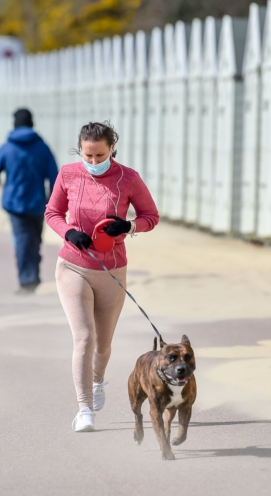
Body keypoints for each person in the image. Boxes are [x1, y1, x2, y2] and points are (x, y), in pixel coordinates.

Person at [45, 122, 159, 432]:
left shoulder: (128, 178)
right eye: (88, 155)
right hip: (73, 265)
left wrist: (128, 227)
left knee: (103, 344)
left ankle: (97, 381)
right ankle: (84, 410)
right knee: (84, 336)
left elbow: (152, 216)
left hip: (112, 269)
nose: (94, 162)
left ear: (112, 150)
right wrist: (69, 232)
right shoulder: (68, 174)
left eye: (100, 155)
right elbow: (52, 212)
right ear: (79, 151)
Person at [0, 108, 58, 294]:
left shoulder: (6, 148)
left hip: (14, 203)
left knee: (22, 240)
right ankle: (31, 276)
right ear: (32, 123)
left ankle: (28, 280)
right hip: (37, 202)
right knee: (34, 239)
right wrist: (54, 198)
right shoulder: (42, 147)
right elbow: (54, 175)